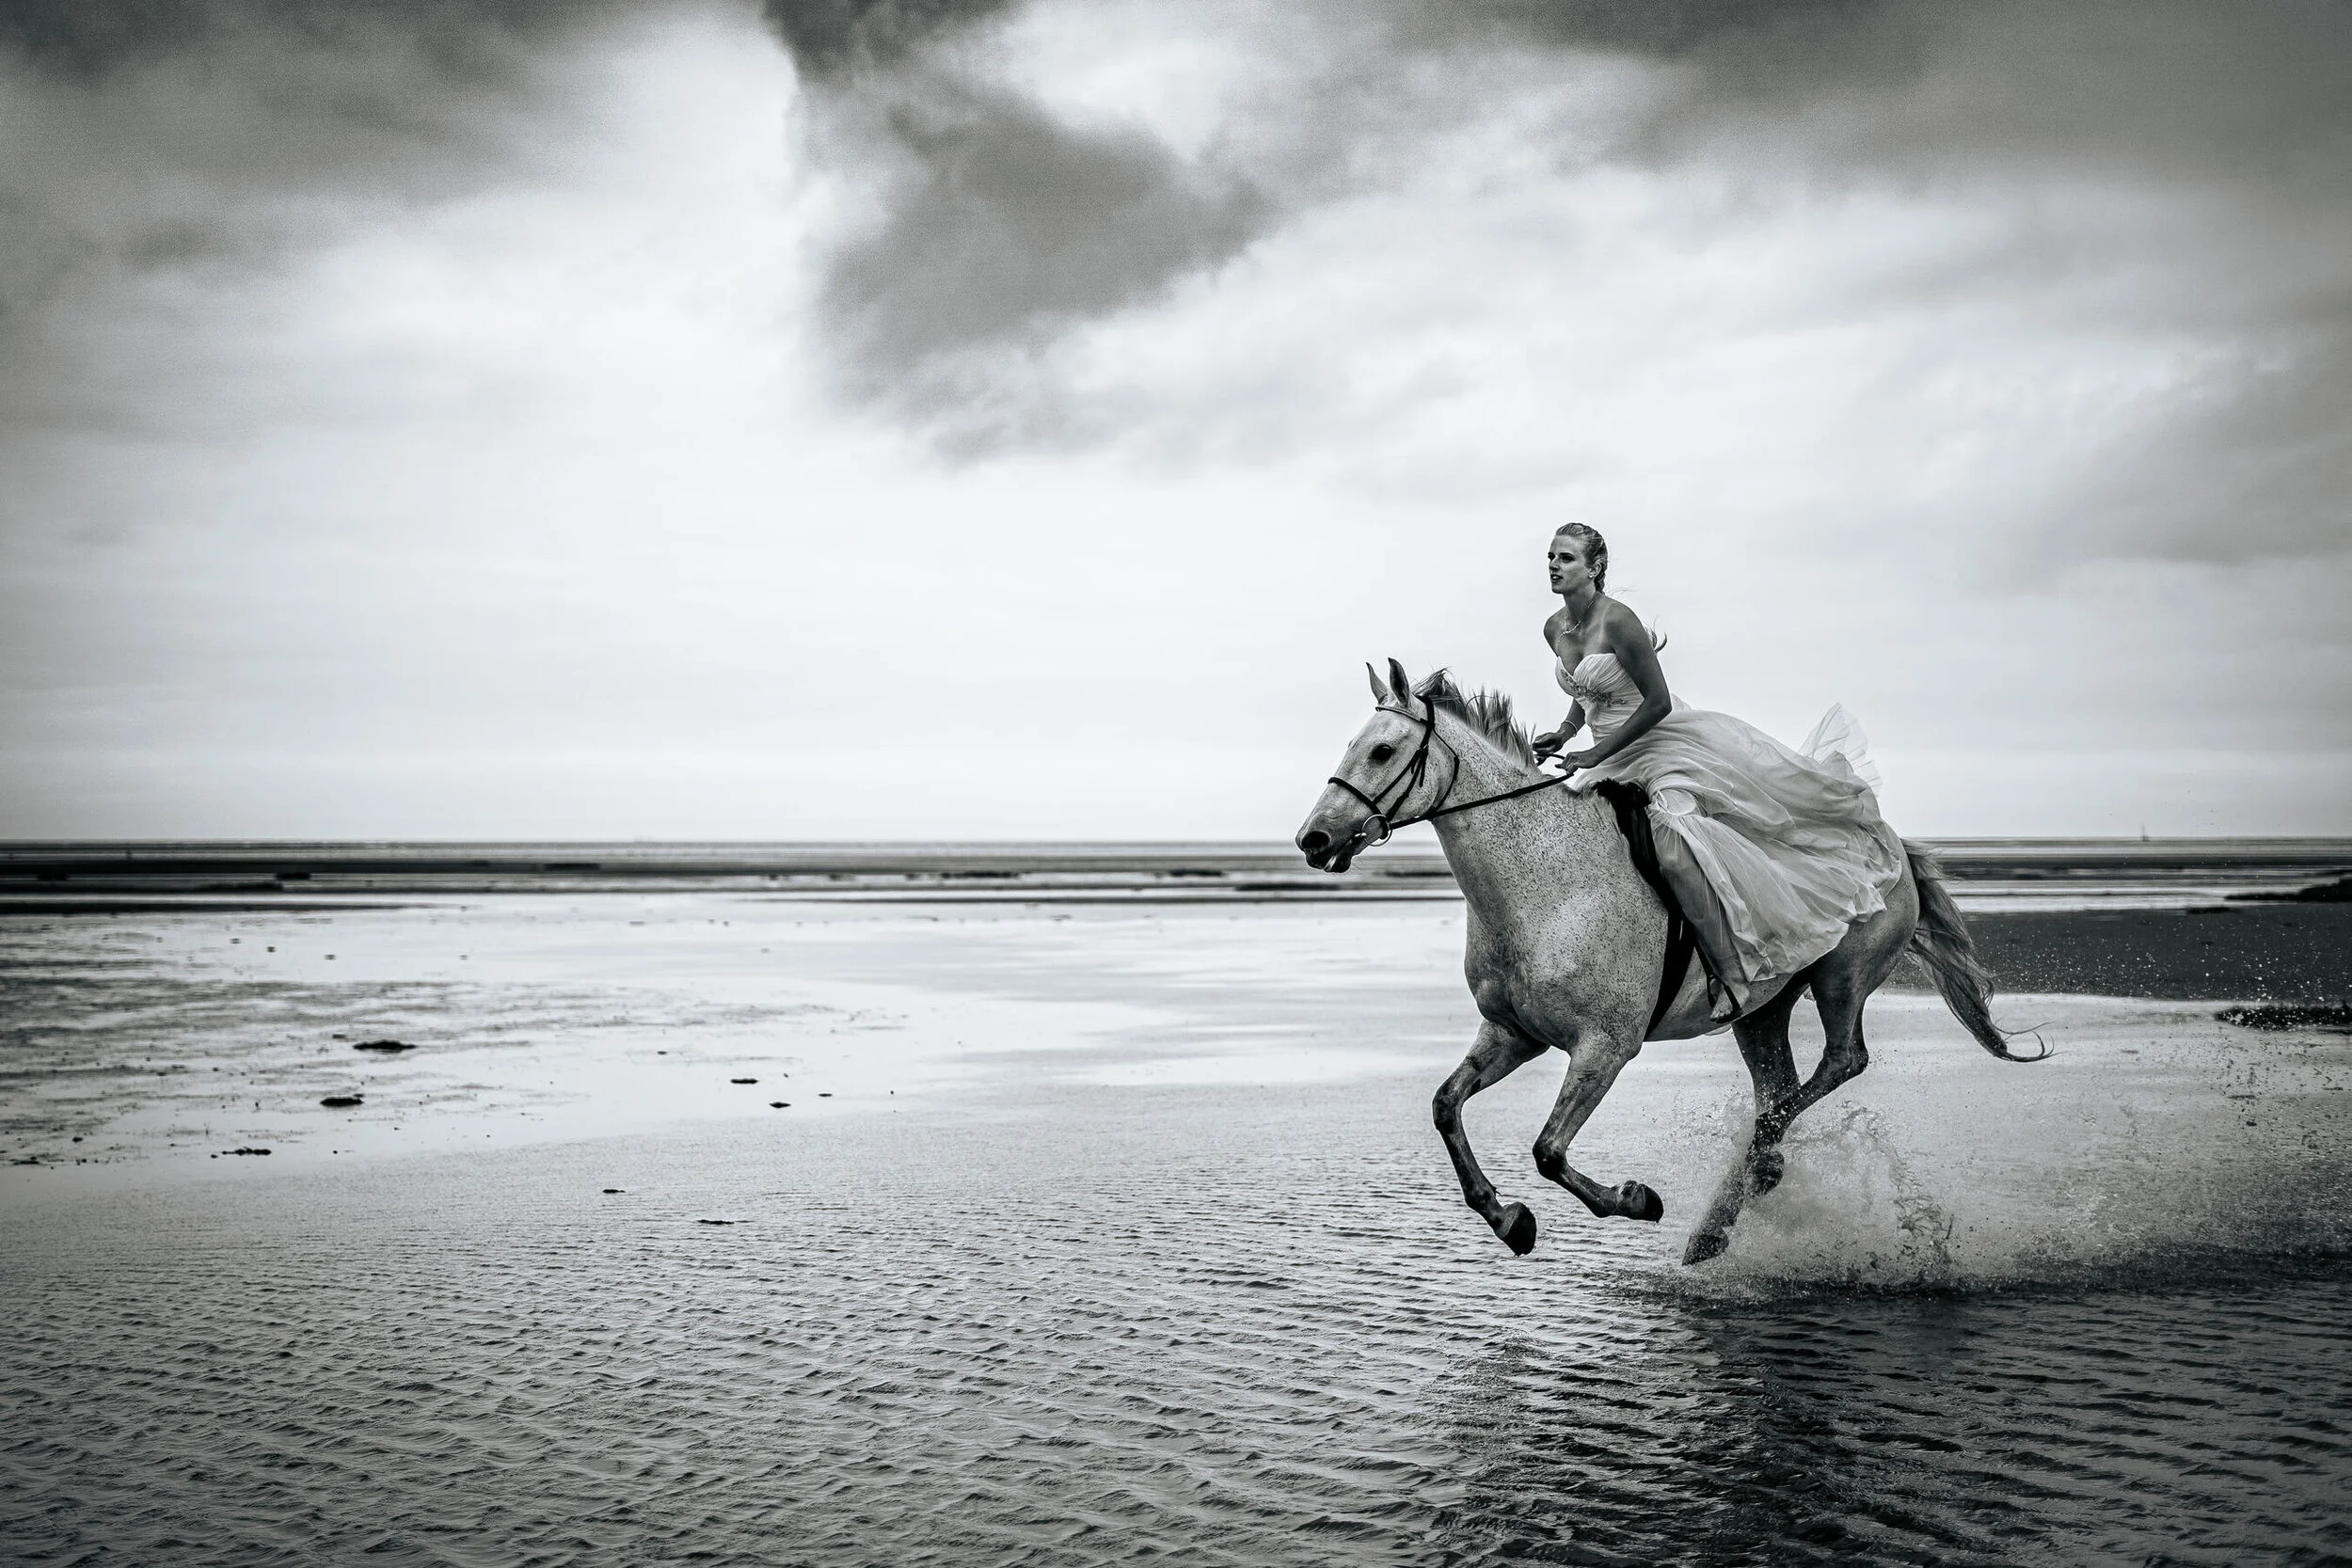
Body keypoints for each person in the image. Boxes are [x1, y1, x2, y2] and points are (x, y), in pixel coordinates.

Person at [1531, 522, 1904, 1023]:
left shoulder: (1619, 621)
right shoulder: (1555, 628)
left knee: (1677, 840)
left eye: (1567, 558)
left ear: (1594, 567)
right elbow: (1586, 692)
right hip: (1605, 753)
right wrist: (1565, 731)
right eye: (1551, 556)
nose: (1554, 565)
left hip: (1661, 746)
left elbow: (1657, 702)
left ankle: (1731, 968)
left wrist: (1597, 755)